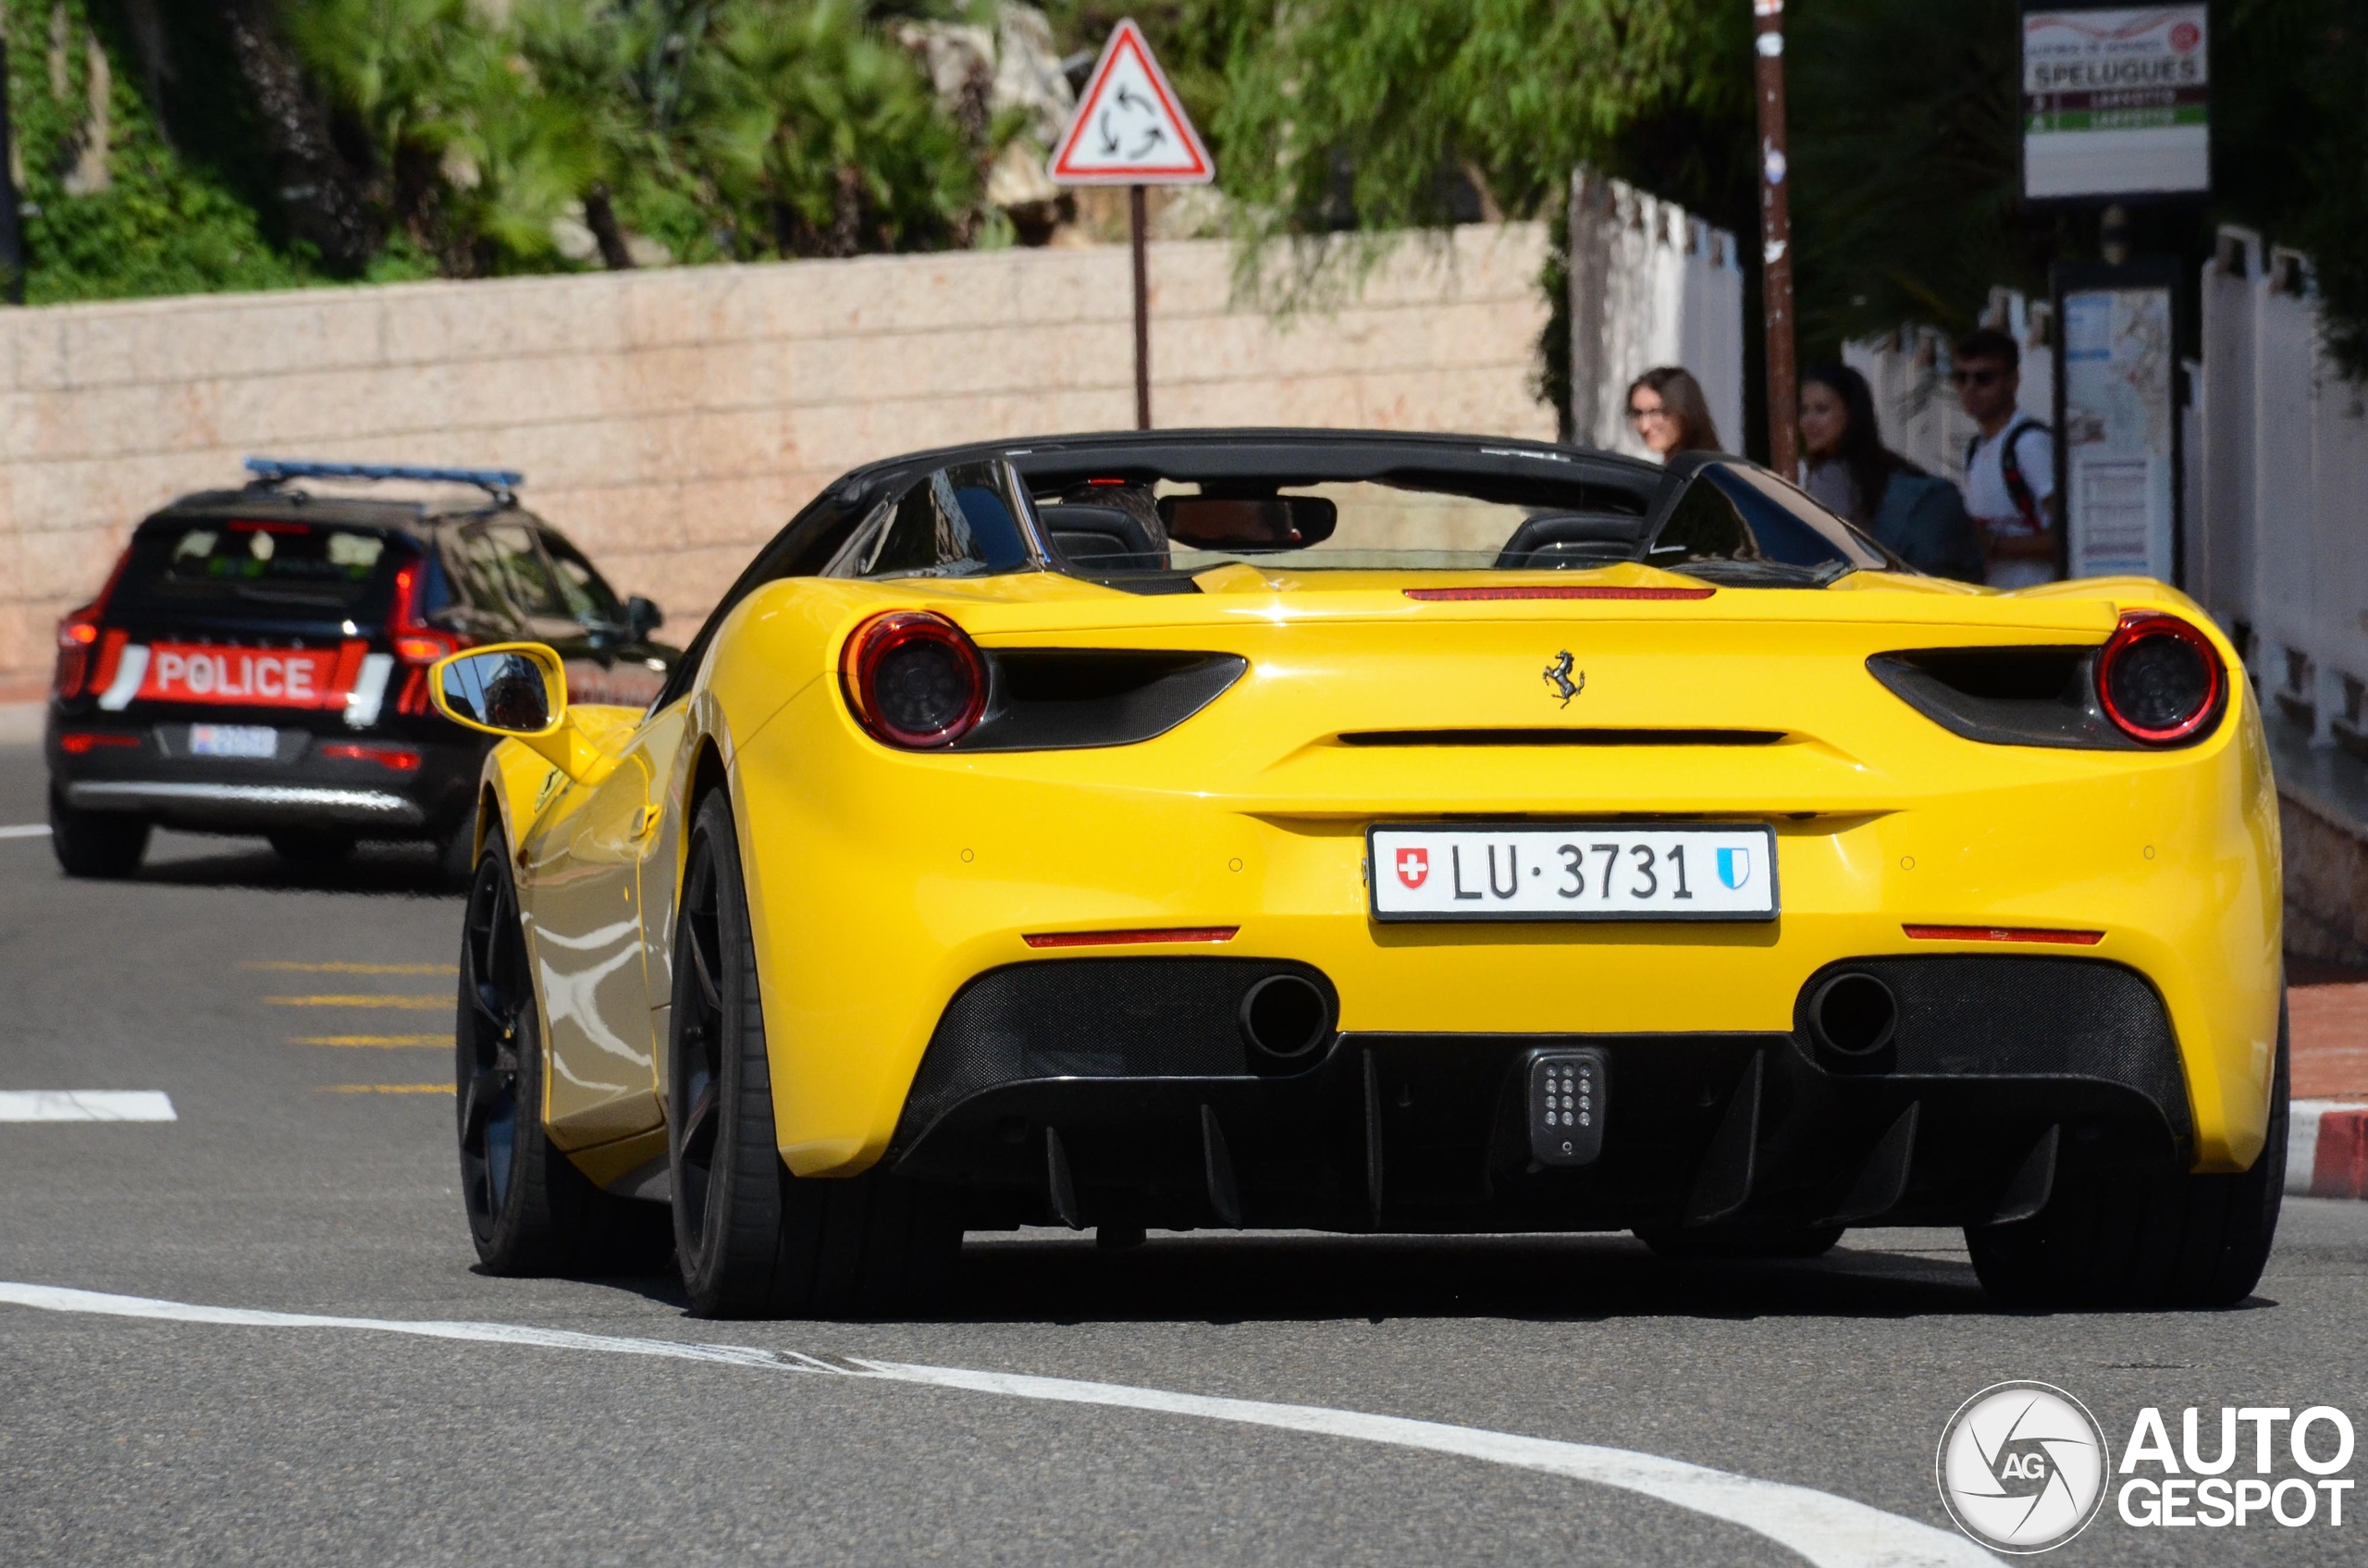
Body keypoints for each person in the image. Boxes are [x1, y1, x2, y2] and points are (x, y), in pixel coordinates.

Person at [1798, 364, 1983, 582]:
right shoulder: (1888, 467)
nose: (1808, 421)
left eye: (1821, 410)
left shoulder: (1830, 477)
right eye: (1804, 410)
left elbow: (1818, 559)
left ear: (1851, 414)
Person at [1952, 327, 2058, 588]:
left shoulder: (2029, 444)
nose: (1970, 388)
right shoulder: (1977, 448)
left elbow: (2069, 536)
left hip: (2039, 600)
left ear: (2013, 381)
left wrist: (1994, 546)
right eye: (1960, 378)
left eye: (1984, 378)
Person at [1625, 366, 1722, 460]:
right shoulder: (1672, 469)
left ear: (1684, 412)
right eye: (1637, 413)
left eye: (1655, 412)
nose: (1644, 426)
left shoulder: (1703, 473)